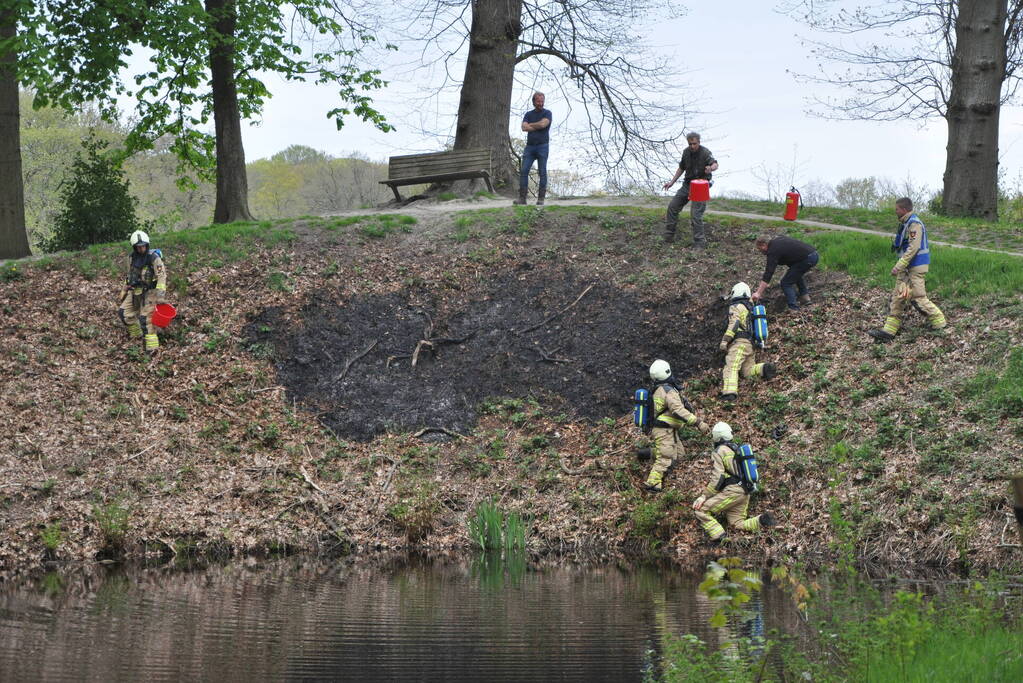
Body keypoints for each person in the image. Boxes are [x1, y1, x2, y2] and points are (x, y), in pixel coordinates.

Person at [868, 197, 946, 342]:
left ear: (903, 209)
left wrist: (899, 265)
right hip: (906, 268)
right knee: (897, 298)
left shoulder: (914, 224)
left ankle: (940, 323)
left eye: (897, 209)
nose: (895, 211)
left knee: (918, 297)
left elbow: (913, 247)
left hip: (915, 266)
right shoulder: (906, 223)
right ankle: (888, 332)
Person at [692, 422, 775, 544]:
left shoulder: (719, 451)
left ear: (715, 437)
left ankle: (719, 538)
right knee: (737, 523)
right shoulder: (736, 449)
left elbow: (718, 477)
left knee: (701, 510)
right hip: (745, 491)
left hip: (733, 492)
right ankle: (762, 520)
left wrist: (704, 496)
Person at [643, 359, 711, 493]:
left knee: (680, 455)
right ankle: (653, 483)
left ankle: (648, 453)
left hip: (668, 429)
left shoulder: (657, 389)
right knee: (666, 457)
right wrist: (698, 423)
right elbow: (678, 410)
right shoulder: (668, 391)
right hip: (664, 430)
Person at [719, 282, 777, 401]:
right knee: (747, 371)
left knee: (731, 366)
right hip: (750, 344)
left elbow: (734, 324)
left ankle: (729, 394)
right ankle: (764, 369)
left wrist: (725, 341)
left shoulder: (736, 306)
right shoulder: (750, 307)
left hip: (739, 343)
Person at [662, 132, 718, 248]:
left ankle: (699, 243)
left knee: (696, 215)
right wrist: (672, 182)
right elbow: (681, 168)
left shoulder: (705, 152)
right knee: (672, 207)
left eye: (694, 143)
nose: (692, 146)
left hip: (701, 186)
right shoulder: (686, 152)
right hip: (687, 185)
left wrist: (710, 168)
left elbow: (715, 164)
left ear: (699, 142)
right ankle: (669, 236)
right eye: (690, 144)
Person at [118, 230, 167, 354]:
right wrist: (124, 289)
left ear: (147, 245)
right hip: (134, 291)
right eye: (138, 247)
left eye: (143, 246)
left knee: (145, 319)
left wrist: (160, 295)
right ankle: (137, 336)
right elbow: (129, 276)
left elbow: (162, 276)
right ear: (135, 247)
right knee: (124, 313)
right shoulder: (131, 258)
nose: (141, 249)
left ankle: (152, 349)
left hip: (150, 292)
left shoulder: (154, 258)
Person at [751, 234, 818, 311]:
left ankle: (793, 309)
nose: (760, 252)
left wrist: (758, 293)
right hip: (813, 254)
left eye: (760, 249)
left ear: (764, 244)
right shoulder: (778, 241)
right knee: (795, 276)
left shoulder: (773, 250)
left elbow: (768, 273)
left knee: (786, 283)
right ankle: (805, 298)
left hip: (808, 259)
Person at [513, 92, 552, 206]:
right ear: (534, 102)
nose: (540, 103)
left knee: (542, 172)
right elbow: (524, 127)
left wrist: (531, 125)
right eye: (538, 101)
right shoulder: (528, 114)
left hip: (543, 146)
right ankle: (522, 198)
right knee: (524, 171)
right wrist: (537, 125)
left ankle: (540, 199)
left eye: (542, 101)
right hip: (529, 147)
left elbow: (543, 125)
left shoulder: (547, 113)